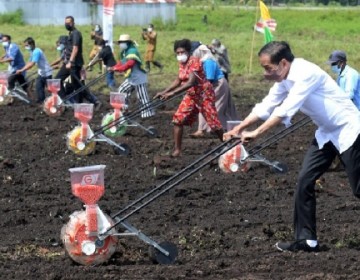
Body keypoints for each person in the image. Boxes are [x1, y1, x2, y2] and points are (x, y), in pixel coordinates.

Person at [224, 41, 360, 253]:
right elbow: (267, 105)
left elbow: (286, 109)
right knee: (304, 181)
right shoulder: (284, 79)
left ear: (283, 63)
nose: (266, 73)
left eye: (268, 68)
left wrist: (257, 133)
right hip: (326, 133)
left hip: (350, 130)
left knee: (358, 188)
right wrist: (239, 128)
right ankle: (307, 240)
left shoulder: (306, 73)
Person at [154, 39, 224, 157]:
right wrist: (164, 91)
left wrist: (172, 94)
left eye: (182, 52)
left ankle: (227, 144)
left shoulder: (194, 61)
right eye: (178, 53)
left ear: (188, 51)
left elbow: (190, 82)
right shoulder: (182, 63)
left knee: (213, 123)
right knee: (178, 119)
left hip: (203, 94)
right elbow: (179, 79)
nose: (180, 55)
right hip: (191, 95)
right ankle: (177, 150)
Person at [191, 44, 239, 137]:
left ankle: (214, 129)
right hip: (209, 85)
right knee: (204, 106)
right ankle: (202, 129)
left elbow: (210, 78)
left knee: (217, 107)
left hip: (217, 85)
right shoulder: (202, 62)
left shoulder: (208, 61)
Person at [55, 16, 101, 109]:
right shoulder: (71, 34)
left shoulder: (76, 33)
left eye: (69, 22)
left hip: (73, 64)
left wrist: (70, 62)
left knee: (73, 84)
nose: (67, 24)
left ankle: (93, 101)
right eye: (66, 22)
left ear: (73, 23)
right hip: (69, 63)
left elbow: (75, 48)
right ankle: (68, 100)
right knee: (72, 84)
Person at [110, 34, 154, 119]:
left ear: (128, 42)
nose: (120, 44)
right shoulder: (124, 52)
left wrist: (118, 69)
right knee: (121, 91)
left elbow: (130, 63)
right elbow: (121, 62)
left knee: (142, 97)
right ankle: (124, 110)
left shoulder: (132, 51)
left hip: (139, 78)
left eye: (122, 42)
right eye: (120, 42)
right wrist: (114, 67)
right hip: (131, 77)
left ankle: (148, 116)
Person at [16, 37, 52, 104]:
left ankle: (54, 101)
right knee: (39, 87)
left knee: (50, 89)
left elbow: (32, 64)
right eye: (25, 46)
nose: (26, 47)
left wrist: (22, 70)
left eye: (27, 45)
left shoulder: (37, 51)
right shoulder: (32, 52)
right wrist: (22, 69)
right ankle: (41, 101)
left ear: (32, 44)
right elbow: (29, 62)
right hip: (41, 73)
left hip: (47, 73)